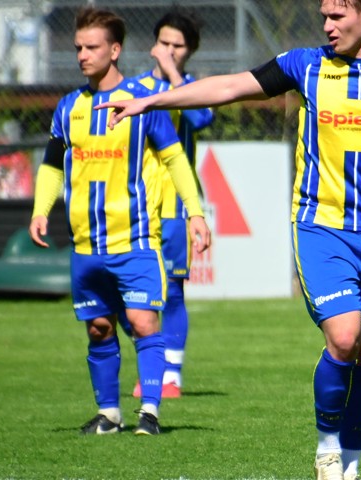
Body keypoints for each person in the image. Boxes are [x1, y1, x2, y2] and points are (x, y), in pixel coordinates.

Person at [97, 0, 361, 477]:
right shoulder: (304, 66)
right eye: (323, 16)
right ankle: (326, 446)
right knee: (344, 337)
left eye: (337, 17)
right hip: (320, 227)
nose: (326, 26)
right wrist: (151, 100)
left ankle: (349, 467)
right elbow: (228, 86)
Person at [28, 6, 210, 435]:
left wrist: (196, 213)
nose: (82, 56)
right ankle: (109, 414)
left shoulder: (141, 105)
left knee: (145, 322)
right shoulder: (69, 107)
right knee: (98, 326)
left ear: (115, 50)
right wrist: (40, 209)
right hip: (86, 244)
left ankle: (150, 412)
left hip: (136, 239)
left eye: (91, 47)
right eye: (78, 48)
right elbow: (53, 165)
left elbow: (175, 159)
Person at [127, 9, 215, 400]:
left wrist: (175, 79)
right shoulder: (133, 88)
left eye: (177, 46)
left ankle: (171, 376)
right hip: (136, 206)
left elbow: (200, 119)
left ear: (189, 52)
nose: (168, 51)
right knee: (132, 293)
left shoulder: (193, 87)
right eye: (163, 43)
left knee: (174, 291)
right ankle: (149, 369)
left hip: (176, 208)